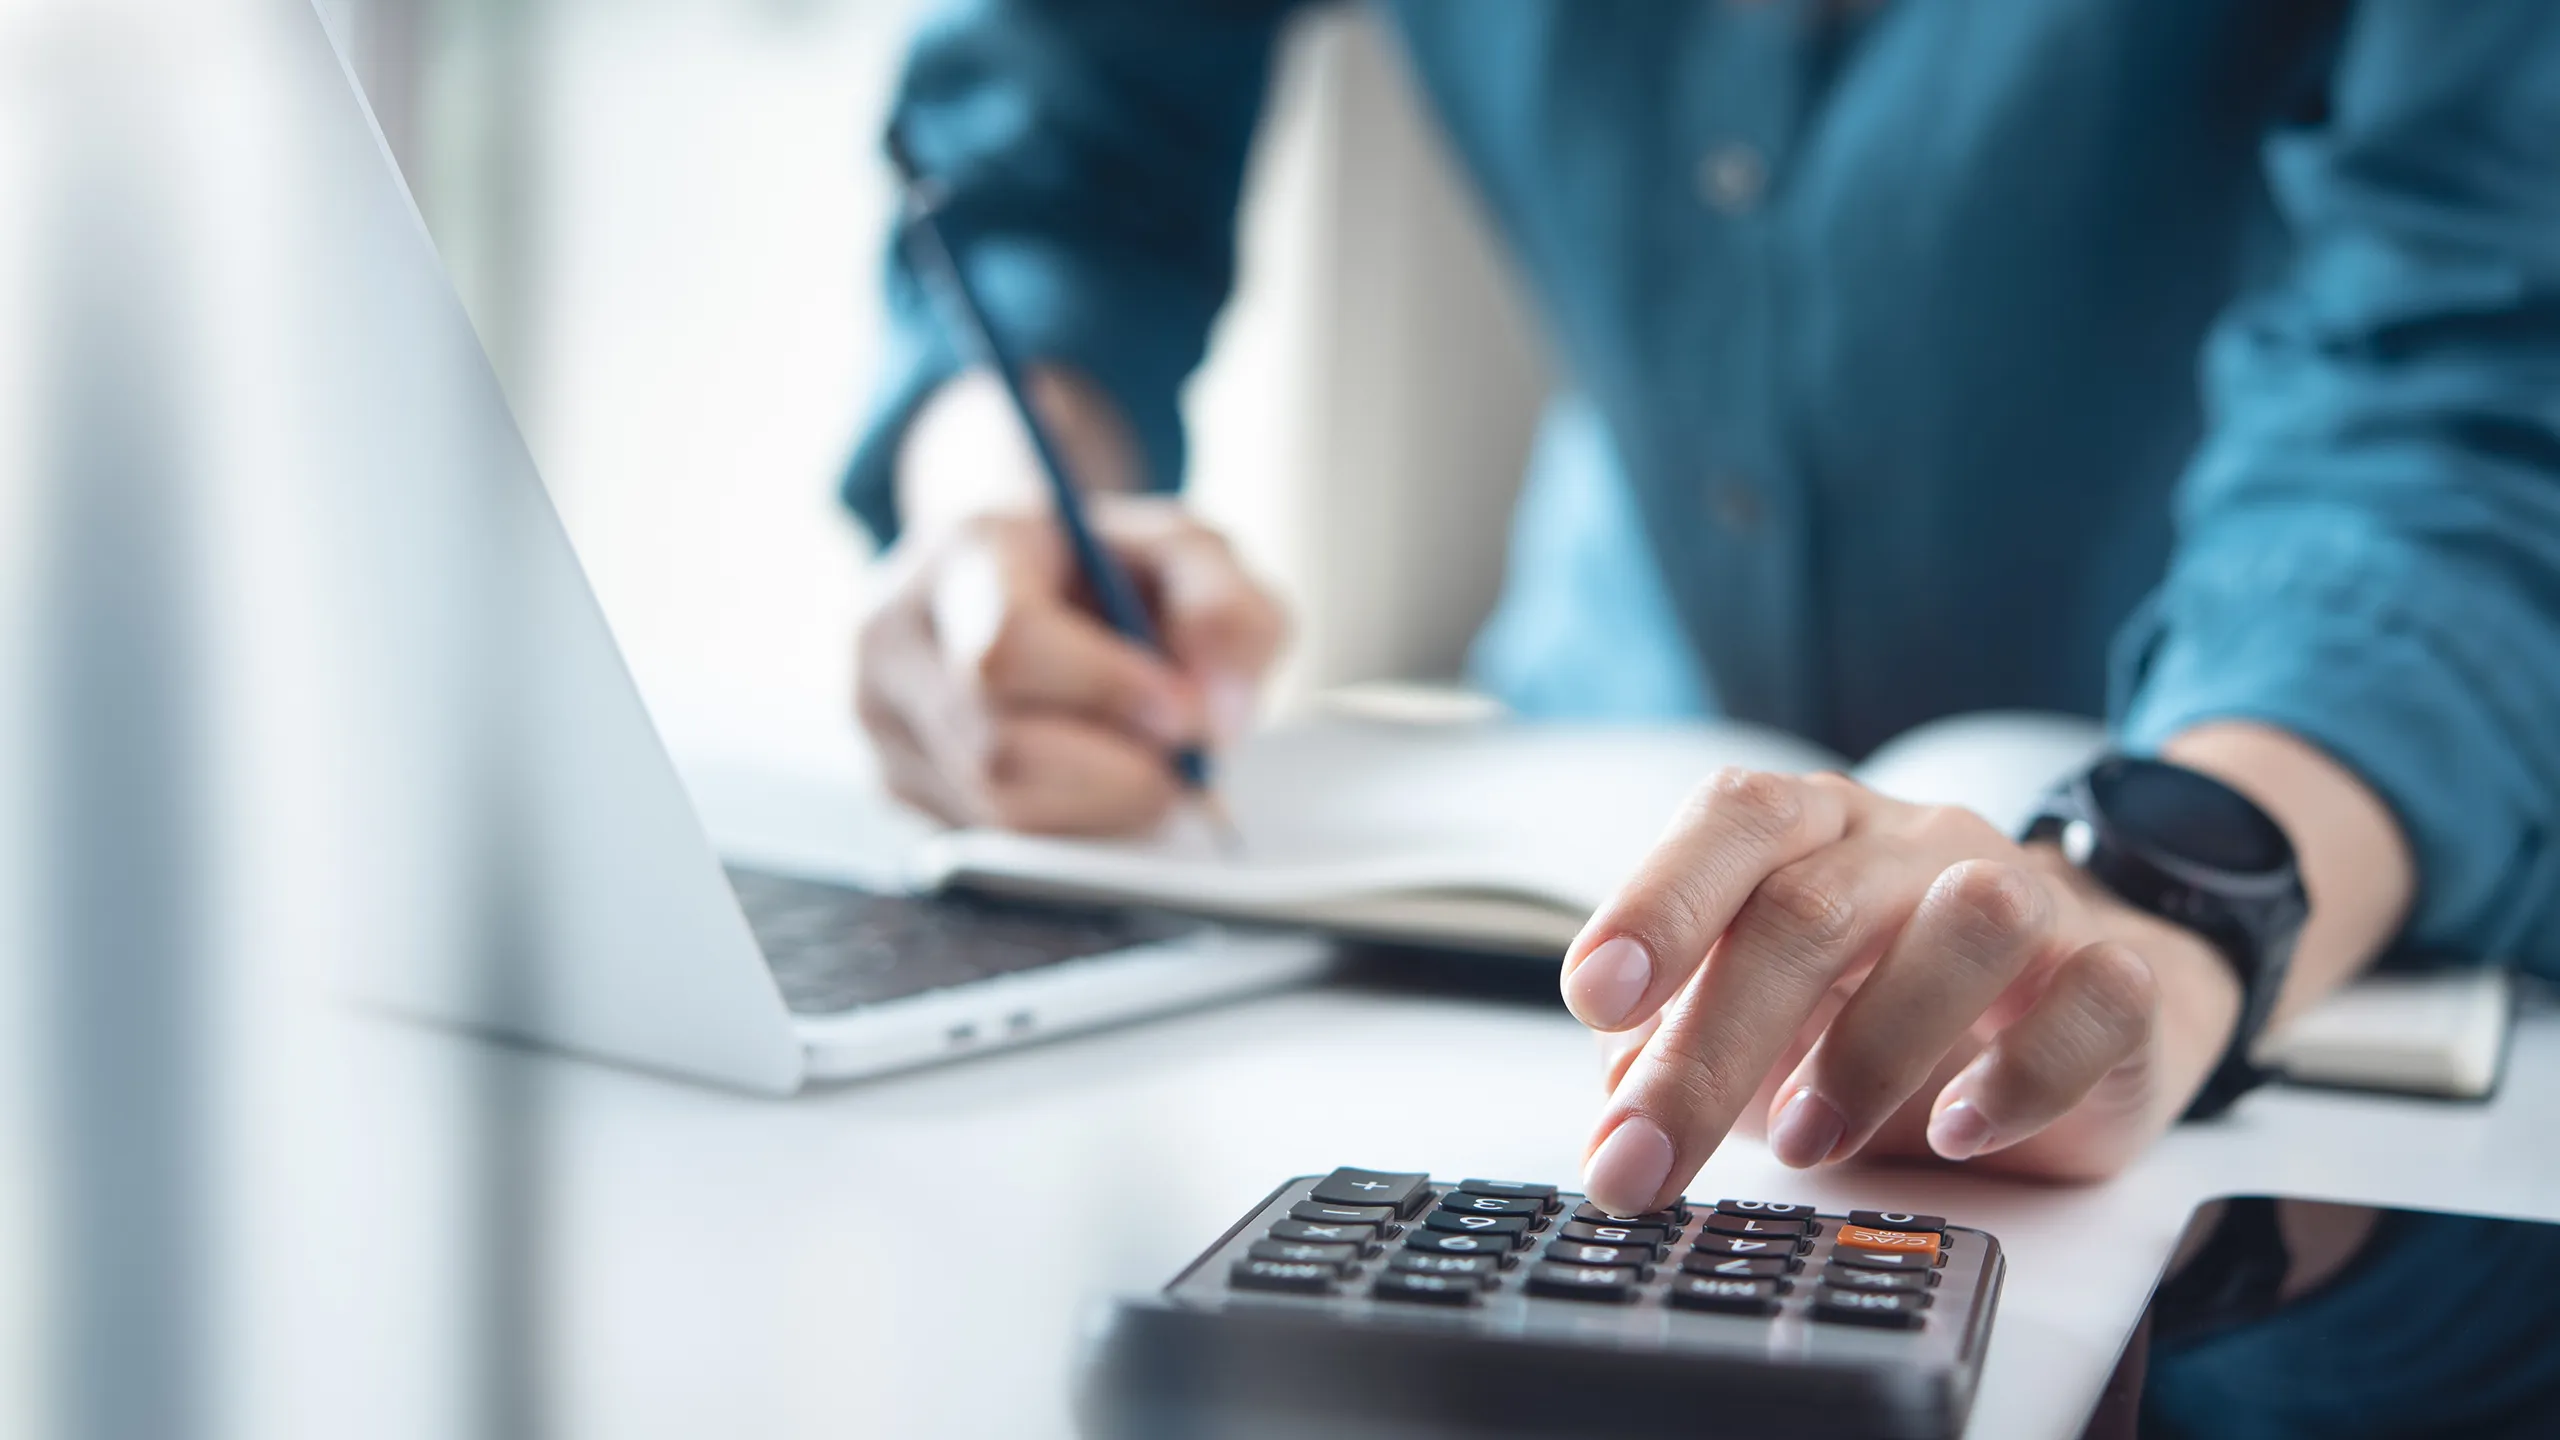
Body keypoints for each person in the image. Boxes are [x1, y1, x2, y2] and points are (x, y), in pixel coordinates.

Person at [843, 2, 2560, 1213]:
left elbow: (2483, 368)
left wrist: (2180, 890)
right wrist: (1002, 507)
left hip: (2303, 842)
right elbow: (1052, 145)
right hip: (1579, 798)